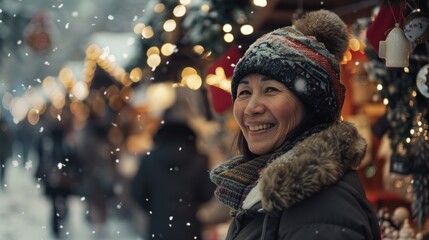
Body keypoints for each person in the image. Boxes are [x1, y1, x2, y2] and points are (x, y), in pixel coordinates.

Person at [209, 10, 382, 239]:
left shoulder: (320, 204)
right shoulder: (265, 193)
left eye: (270, 89)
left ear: (311, 105)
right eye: (244, 92)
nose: (251, 107)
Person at [131, 121, 215, 240]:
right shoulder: (199, 160)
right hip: (189, 230)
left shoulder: (149, 160)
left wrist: (156, 209)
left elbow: (137, 193)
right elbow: (207, 194)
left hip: (158, 230)